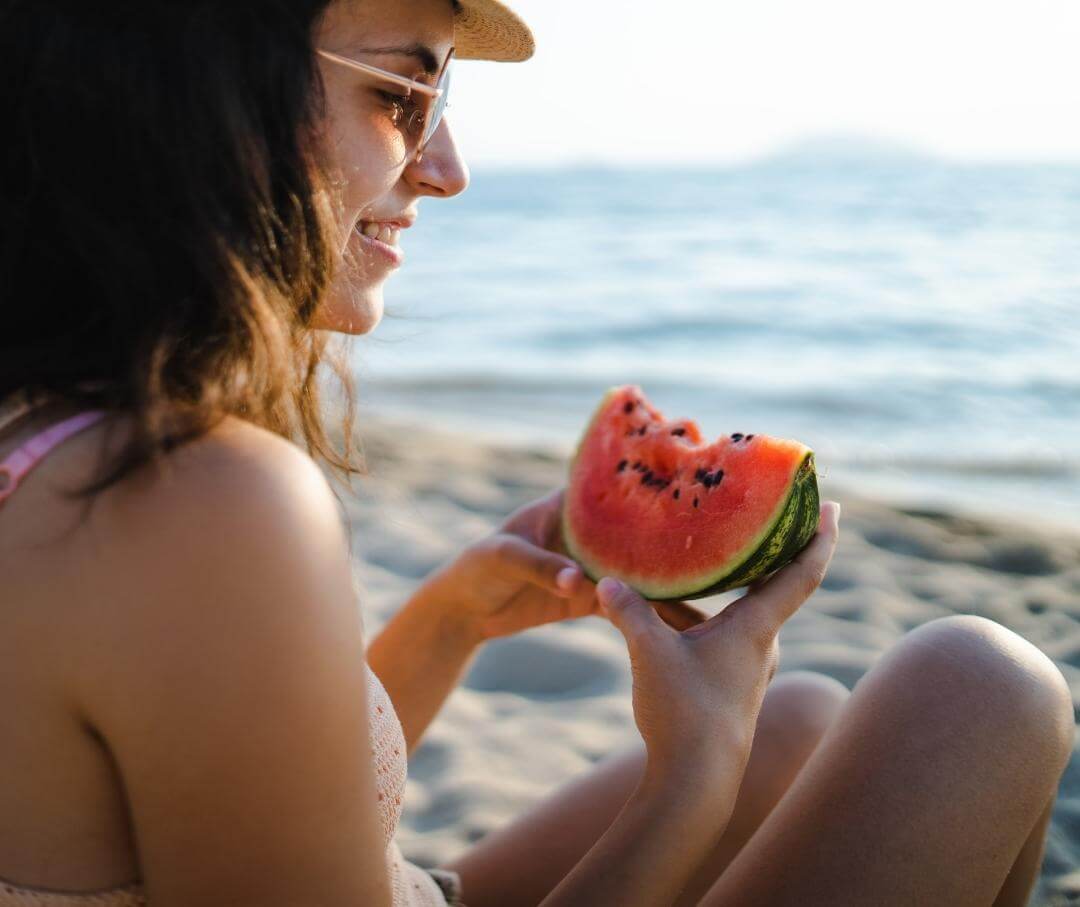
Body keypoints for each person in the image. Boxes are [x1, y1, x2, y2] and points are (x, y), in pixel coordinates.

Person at [0, 1, 1072, 905]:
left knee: (802, 718)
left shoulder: (54, 433)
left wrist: (451, 619)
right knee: (983, 686)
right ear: (186, 91)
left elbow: (228, 784)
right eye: (399, 94)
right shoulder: (195, 499)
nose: (450, 169)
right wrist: (690, 775)